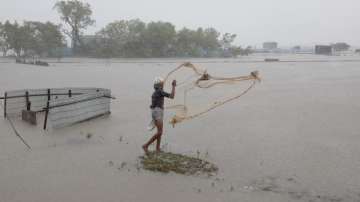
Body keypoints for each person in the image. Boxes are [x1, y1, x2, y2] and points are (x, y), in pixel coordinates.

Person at [142, 77, 176, 154]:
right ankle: (146, 145)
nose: (163, 85)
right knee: (160, 132)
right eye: (162, 83)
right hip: (158, 112)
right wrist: (173, 86)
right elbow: (172, 96)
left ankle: (157, 148)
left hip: (156, 111)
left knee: (159, 131)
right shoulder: (160, 91)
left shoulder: (156, 92)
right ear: (160, 85)